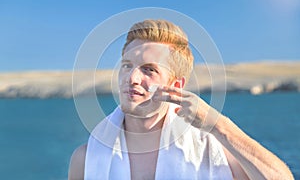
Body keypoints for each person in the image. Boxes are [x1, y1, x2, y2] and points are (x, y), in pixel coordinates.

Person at [69, 19, 294, 179]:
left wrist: (217, 125)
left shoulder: (212, 152)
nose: (132, 78)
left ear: (175, 87)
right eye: (127, 66)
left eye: (149, 70)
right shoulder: (86, 158)